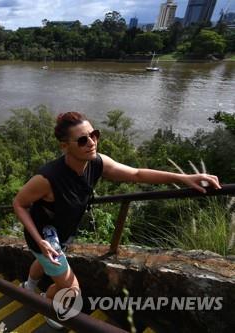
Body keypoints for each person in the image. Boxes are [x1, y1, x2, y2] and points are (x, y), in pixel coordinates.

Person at [13, 111, 221, 329]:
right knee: (72, 289)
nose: (91, 143)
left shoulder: (96, 163)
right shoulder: (48, 178)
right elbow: (19, 203)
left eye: (94, 135)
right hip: (43, 236)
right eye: (82, 140)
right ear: (64, 146)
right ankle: (45, 301)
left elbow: (137, 174)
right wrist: (40, 241)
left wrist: (183, 178)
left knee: (44, 261)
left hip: (63, 232)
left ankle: (29, 286)